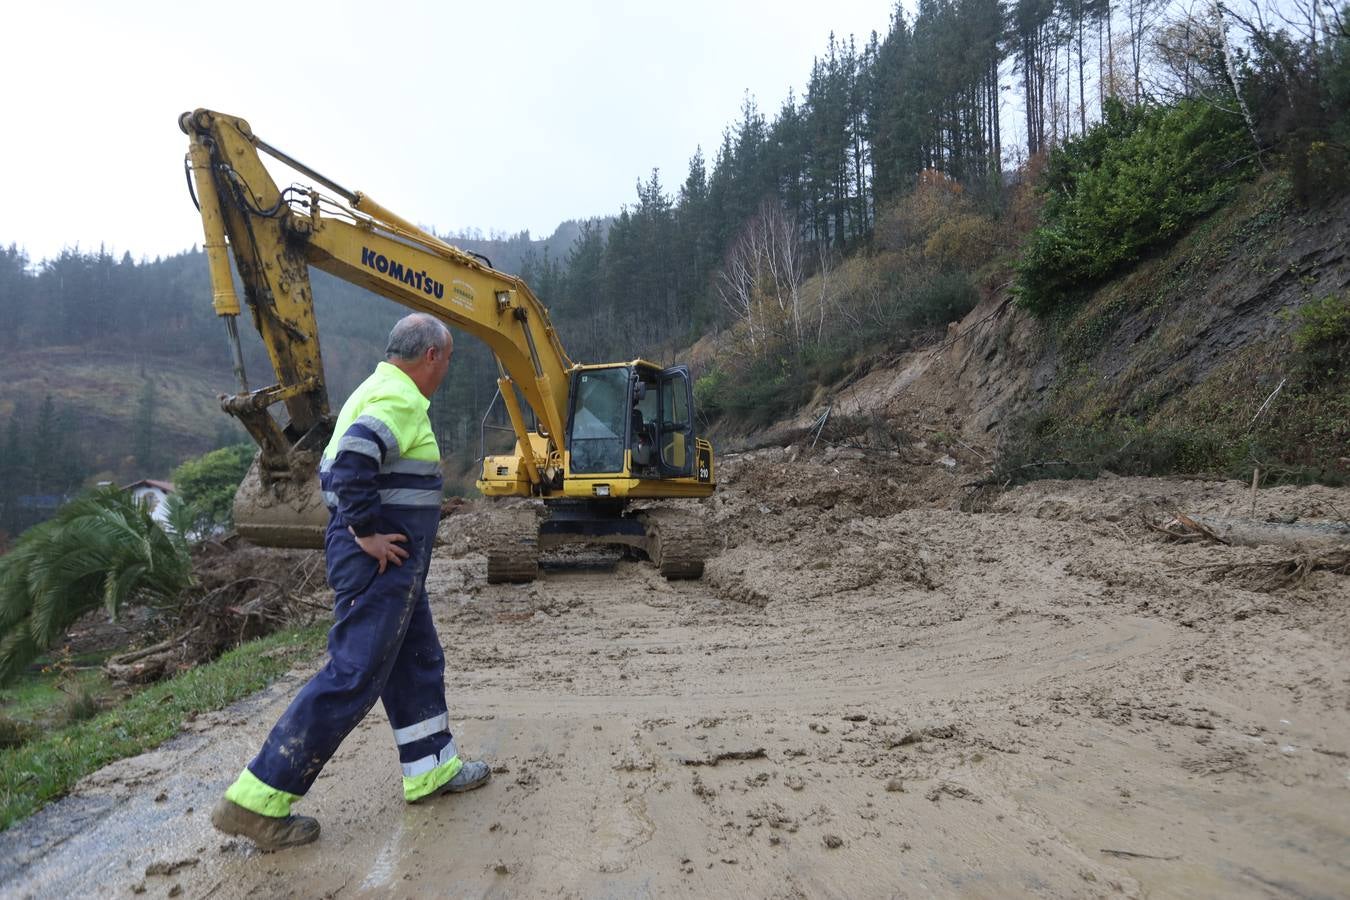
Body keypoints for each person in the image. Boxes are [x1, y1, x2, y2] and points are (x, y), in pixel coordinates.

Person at [211, 314, 490, 850]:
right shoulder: (400, 398)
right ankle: (257, 799)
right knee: (353, 674)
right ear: (431, 355)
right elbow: (355, 460)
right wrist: (366, 531)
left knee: (416, 659)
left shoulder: (376, 388)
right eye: (448, 358)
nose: (447, 368)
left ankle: (430, 767)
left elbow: (340, 467)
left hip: (394, 567)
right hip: (379, 564)